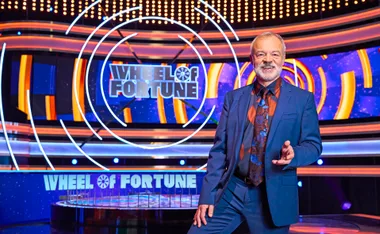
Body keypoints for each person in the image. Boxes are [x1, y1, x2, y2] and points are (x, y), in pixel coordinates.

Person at [187, 32, 323, 233]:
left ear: (283, 58)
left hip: (272, 196)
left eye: (275, 54)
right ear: (252, 59)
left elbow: (314, 146)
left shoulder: (303, 99)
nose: (268, 60)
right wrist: (207, 195)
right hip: (232, 191)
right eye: (261, 54)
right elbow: (219, 151)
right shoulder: (234, 98)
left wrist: (294, 155)